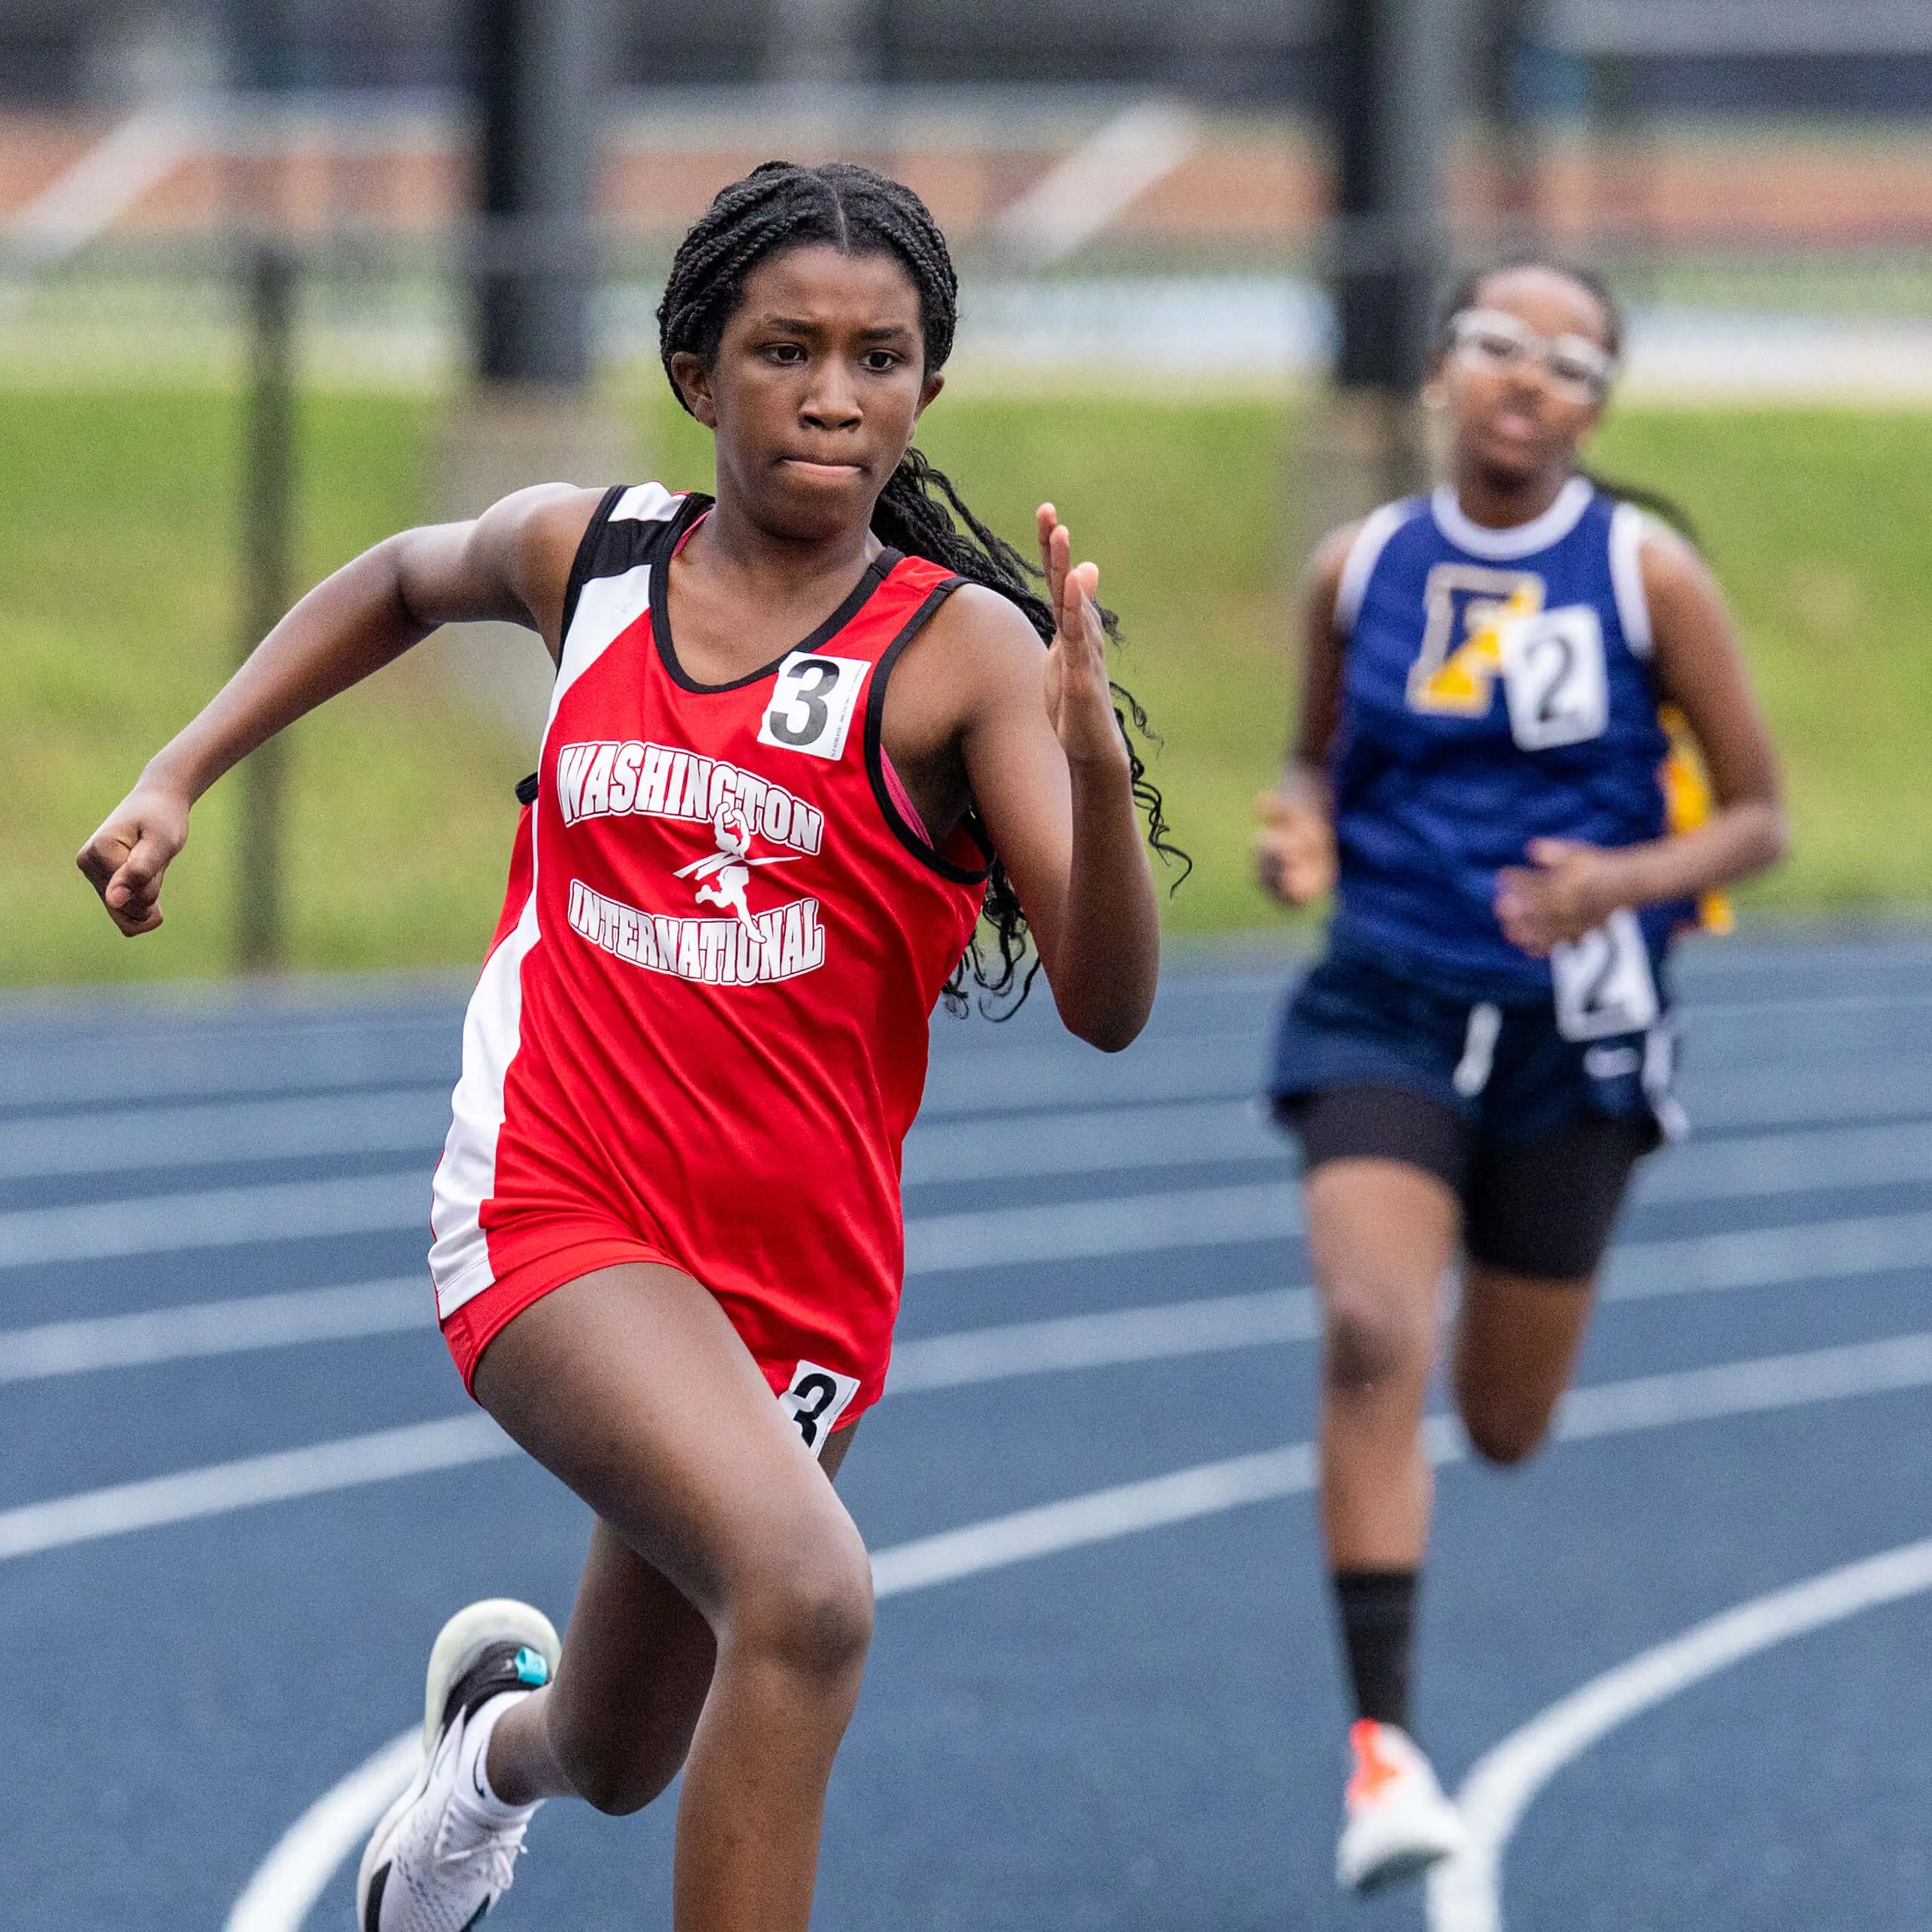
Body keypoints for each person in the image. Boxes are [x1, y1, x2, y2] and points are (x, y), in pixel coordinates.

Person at [78, 162, 1178, 1932]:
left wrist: (1097, 786)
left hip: (791, 1283)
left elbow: (1107, 1001)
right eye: (785, 348)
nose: (832, 393)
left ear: (926, 388)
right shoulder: (584, 559)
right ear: (695, 370)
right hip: (550, 1204)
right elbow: (395, 577)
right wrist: (177, 772)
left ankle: (477, 1760)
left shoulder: (959, 652)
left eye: (879, 357)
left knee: (617, 1741)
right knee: (806, 1595)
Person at [1253, 260, 1786, 1894]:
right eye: (1499, 345)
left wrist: (1614, 881)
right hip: (1386, 1004)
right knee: (1366, 1329)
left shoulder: (1643, 571)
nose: (1527, 380)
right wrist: (1300, 829)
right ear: (1438, 369)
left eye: (1569, 363)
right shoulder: (1356, 568)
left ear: (1595, 407)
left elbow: (1754, 816)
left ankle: (1490, 1336)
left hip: (1580, 1031)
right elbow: (1309, 760)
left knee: (1497, 1420)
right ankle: (1381, 1751)